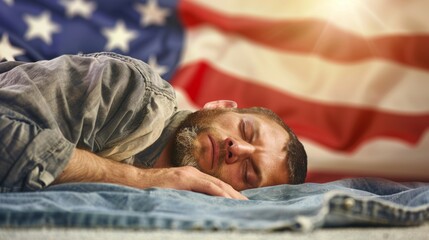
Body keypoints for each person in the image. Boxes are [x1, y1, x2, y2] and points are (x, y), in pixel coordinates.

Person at [0, 52, 307, 199]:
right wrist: (141, 179)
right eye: (245, 131)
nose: (236, 148)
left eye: (249, 172)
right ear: (219, 106)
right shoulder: (131, 90)